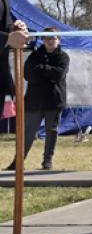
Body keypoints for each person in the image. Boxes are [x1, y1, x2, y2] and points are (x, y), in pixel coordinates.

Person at [5, 27, 68, 171]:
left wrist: (40, 69)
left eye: (53, 38)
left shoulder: (63, 57)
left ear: (58, 40)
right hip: (35, 100)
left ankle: (47, 162)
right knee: (27, 133)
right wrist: (48, 71)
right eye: (47, 38)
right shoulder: (35, 55)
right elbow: (27, 74)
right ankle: (18, 162)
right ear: (43, 40)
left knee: (51, 131)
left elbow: (58, 75)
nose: (50, 41)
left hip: (54, 99)